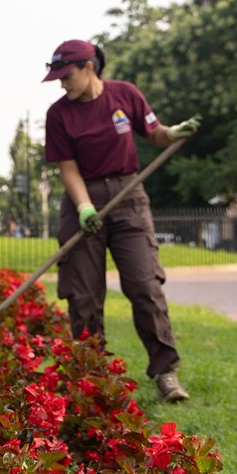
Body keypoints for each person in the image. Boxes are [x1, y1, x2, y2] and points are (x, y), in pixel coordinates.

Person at [42, 40, 201, 402]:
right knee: (83, 295)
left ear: (88, 67)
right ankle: (91, 379)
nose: (61, 84)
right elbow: (68, 169)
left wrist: (172, 133)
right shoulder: (59, 115)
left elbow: (155, 133)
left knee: (145, 286)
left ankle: (165, 373)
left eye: (65, 76)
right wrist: (84, 208)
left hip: (128, 196)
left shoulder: (125, 95)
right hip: (82, 198)